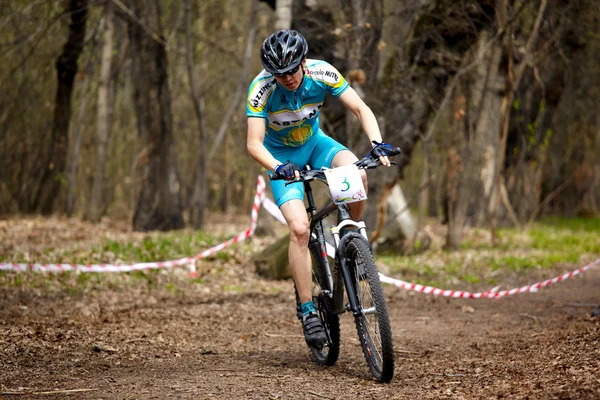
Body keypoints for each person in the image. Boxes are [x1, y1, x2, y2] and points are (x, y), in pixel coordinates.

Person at [246, 29, 395, 347]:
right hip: (281, 160)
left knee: (358, 175)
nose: (287, 78)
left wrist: (377, 144)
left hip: (316, 146)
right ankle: (308, 309)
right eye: (280, 73)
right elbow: (253, 144)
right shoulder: (261, 88)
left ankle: (353, 238)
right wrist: (277, 167)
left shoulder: (322, 71)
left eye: (292, 70)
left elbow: (360, 108)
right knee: (300, 229)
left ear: (303, 61)